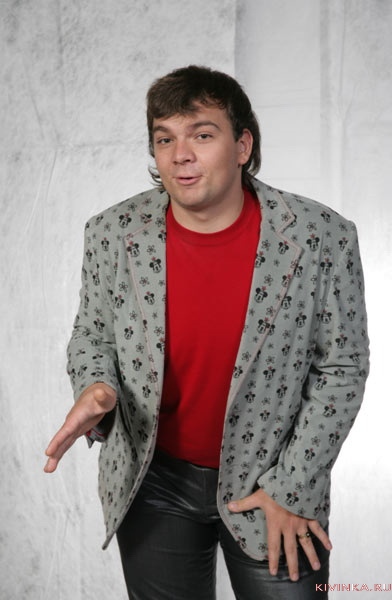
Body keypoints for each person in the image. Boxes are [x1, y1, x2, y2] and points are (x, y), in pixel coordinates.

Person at [44, 65, 369, 600]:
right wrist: (97, 387)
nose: (180, 155)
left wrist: (291, 488)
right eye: (164, 139)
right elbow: (93, 335)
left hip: (274, 483)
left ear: (242, 146)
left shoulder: (321, 236)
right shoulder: (112, 232)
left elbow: (342, 366)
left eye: (201, 135)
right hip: (154, 483)